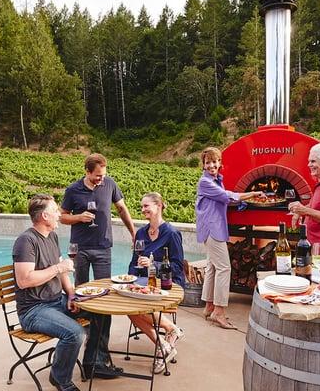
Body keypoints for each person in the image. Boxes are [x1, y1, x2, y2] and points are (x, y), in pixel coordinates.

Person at [13, 194, 116, 391]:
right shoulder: (26, 241)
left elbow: (62, 273)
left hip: (57, 302)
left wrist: (70, 294)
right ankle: (61, 380)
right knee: (74, 333)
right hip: (34, 310)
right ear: (44, 216)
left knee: (99, 312)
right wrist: (59, 268)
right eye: (55, 211)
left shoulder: (51, 236)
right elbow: (24, 280)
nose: (59, 214)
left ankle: (93, 363)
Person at [60, 153, 135, 379]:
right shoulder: (73, 190)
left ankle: (98, 356)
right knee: (82, 299)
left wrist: (133, 232)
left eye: (103, 175)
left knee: (104, 299)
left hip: (103, 248)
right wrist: (78, 218)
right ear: (88, 171)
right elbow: (62, 217)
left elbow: (122, 209)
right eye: (97, 176)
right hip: (80, 249)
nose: (101, 179)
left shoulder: (110, 183)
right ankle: (86, 349)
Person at [195, 147, 265, 330]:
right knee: (224, 268)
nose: (212, 165)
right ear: (203, 165)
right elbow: (227, 197)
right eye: (208, 162)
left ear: (220, 163)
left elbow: (227, 198)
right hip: (212, 228)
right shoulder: (205, 182)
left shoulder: (216, 180)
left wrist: (240, 200)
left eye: (215, 161)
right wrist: (252, 194)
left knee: (212, 266)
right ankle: (219, 311)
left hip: (210, 228)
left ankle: (209, 306)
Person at [127, 192, 185, 374]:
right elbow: (133, 262)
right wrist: (129, 281)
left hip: (167, 283)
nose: (142, 209)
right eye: (142, 206)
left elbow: (177, 266)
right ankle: (166, 339)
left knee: (135, 308)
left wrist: (154, 264)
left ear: (158, 206)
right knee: (129, 307)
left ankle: (166, 341)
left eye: (146, 206)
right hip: (144, 283)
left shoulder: (172, 233)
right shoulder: (142, 233)